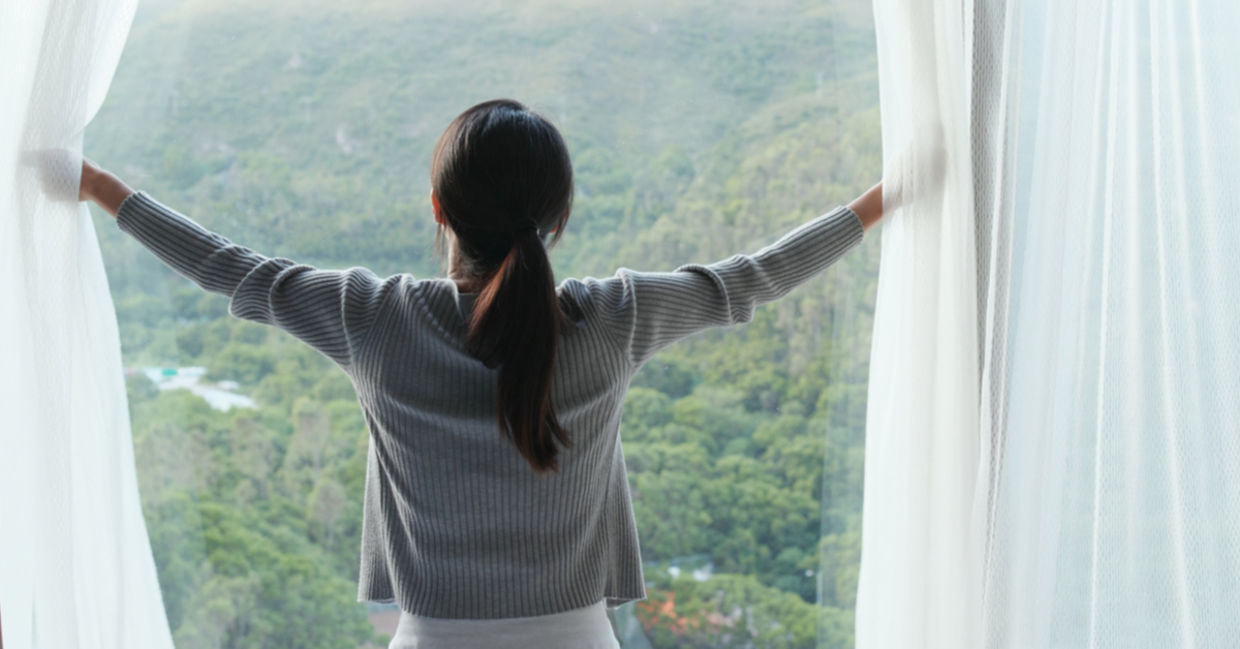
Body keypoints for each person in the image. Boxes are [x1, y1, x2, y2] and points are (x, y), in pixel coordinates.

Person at [78, 98, 883, 649]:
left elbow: (229, 268)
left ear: (439, 209)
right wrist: (880, 202)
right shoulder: (615, 319)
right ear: (557, 218)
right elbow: (754, 277)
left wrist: (99, 187)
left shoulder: (374, 318)